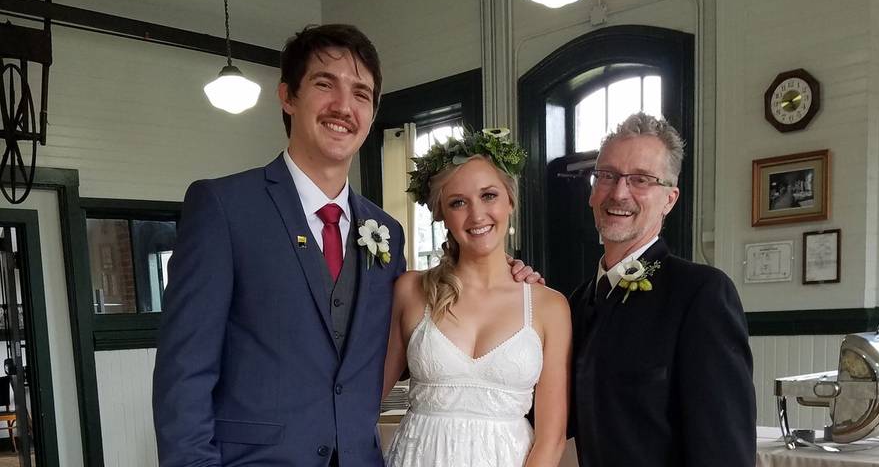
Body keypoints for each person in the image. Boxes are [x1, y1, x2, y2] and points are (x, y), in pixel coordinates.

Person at [152, 24, 538, 467]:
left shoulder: (387, 232)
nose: (343, 106)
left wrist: (507, 283)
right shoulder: (223, 207)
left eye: (361, 93)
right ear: (287, 96)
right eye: (324, 84)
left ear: (372, 113)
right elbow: (184, 374)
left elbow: (417, 334)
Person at [568, 111, 756, 467]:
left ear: (670, 199)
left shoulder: (701, 294)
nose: (619, 193)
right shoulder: (575, 303)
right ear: (593, 192)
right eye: (606, 176)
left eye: (641, 179)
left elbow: (724, 451)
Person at [382, 129, 571, 467]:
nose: (477, 215)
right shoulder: (411, 291)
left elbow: (551, 438)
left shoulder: (549, 306)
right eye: (458, 202)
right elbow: (365, 398)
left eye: (489, 196)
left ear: (510, 200)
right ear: (441, 213)